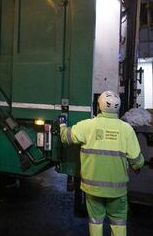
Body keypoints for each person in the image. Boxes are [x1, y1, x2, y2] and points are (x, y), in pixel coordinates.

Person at [60, 91, 144, 236]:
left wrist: (62, 125)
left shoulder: (87, 126)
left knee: (95, 221)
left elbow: (66, 137)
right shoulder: (126, 129)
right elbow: (137, 160)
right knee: (118, 222)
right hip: (117, 190)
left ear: (99, 106)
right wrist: (137, 166)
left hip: (93, 189)